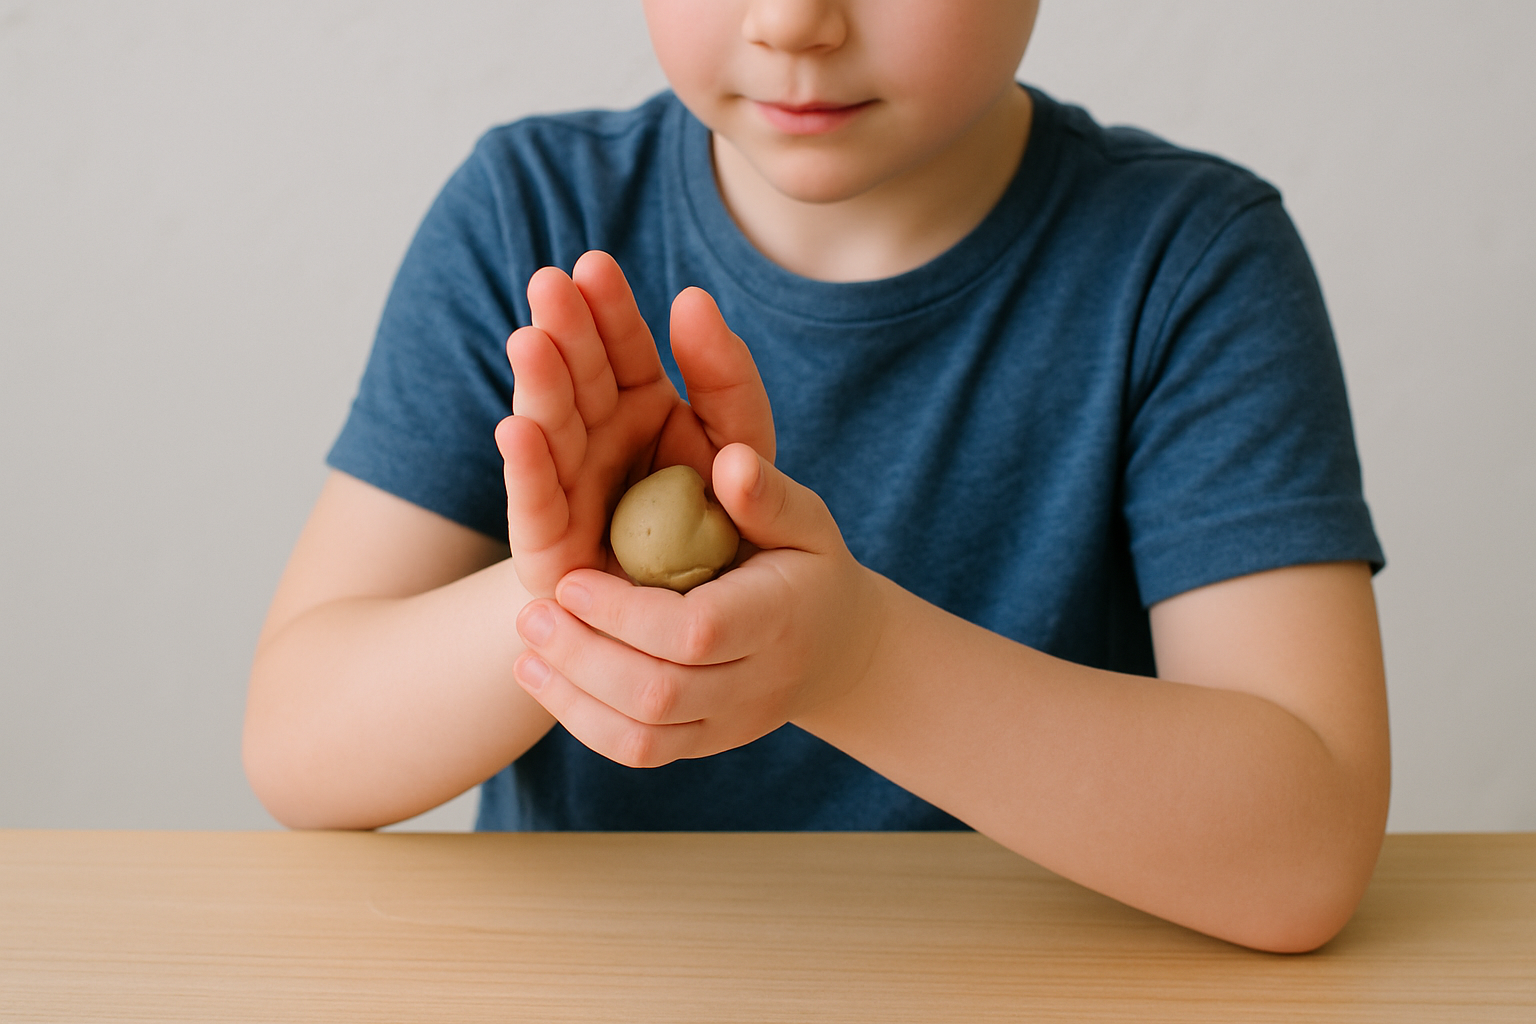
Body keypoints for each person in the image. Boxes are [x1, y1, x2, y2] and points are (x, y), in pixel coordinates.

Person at [244, 0, 1389, 954]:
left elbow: (1303, 850)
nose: (795, 20)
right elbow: (299, 748)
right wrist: (567, 591)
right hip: (599, 979)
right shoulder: (527, 213)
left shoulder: (1188, 260)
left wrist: (858, 660)